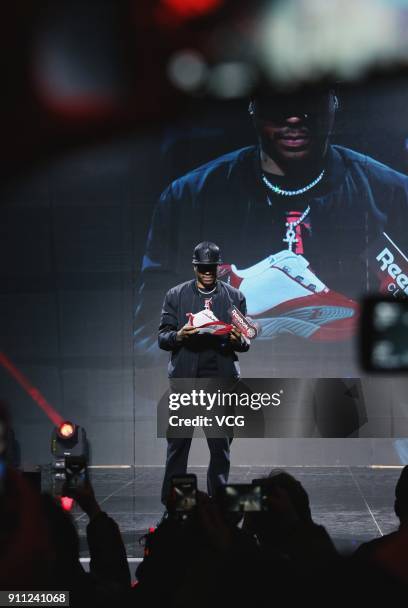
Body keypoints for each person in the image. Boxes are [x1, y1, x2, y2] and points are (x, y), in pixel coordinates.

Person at [135, 84, 408, 376]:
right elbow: (152, 337)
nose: (294, 117)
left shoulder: (391, 194)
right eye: (279, 100)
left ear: (334, 102)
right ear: (253, 105)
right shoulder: (189, 198)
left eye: (309, 99)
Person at [158, 241, 250, 503]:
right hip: (186, 380)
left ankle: (219, 504)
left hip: (220, 382)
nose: (207, 272)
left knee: (220, 447)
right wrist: (179, 335)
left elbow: (246, 340)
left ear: (219, 267)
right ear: (194, 267)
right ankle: (174, 504)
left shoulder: (235, 297)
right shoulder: (176, 295)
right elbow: (162, 337)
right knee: (178, 444)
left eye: (211, 268)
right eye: (202, 268)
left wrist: (237, 340)